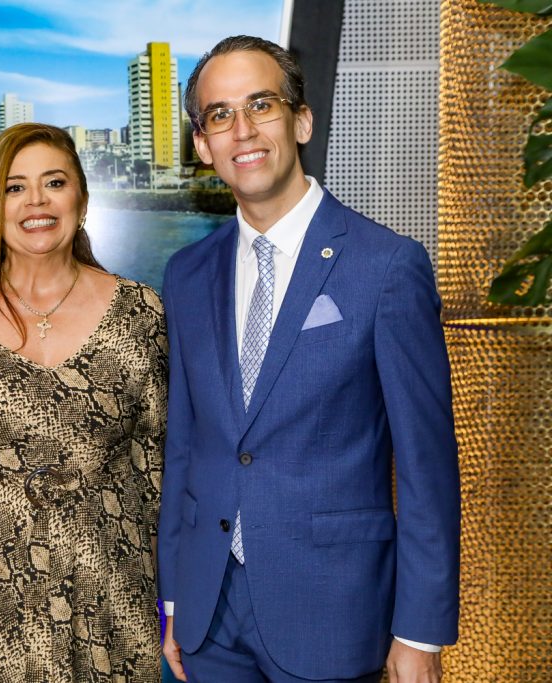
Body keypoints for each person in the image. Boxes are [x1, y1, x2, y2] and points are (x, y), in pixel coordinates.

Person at [158, 36, 460, 683]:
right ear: (204, 145)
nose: (242, 129)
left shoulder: (386, 267)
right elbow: (185, 444)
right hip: (211, 612)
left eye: (261, 104)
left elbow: (426, 464)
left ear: (300, 119)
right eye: (219, 114)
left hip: (334, 607)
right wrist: (176, 597)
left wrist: (419, 630)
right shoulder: (186, 274)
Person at [0, 123, 166, 682]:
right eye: (15, 187)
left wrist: (174, 600)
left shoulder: (141, 313)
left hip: (111, 591)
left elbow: (157, 468)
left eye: (54, 182)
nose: (37, 202)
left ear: (81, 197)